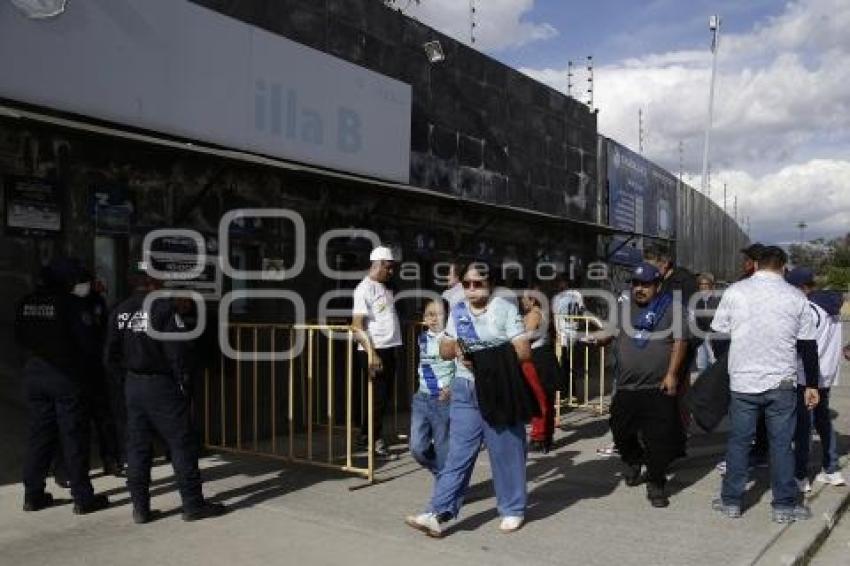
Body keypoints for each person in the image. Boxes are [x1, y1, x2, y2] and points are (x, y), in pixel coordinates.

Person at [405, 261, 532, 537]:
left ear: (490, 284)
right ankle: (438, 512)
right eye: (467, 284)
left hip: (497, 387)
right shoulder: (458, 311)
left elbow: (522, 351)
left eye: (478, 284)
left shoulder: (505, 310)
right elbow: (444, 346)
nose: (472, 290)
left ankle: (513, 508)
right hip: (465, 389)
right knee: (457, 454)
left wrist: (486, 359)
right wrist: (455, 349)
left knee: (505, 451)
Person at [104, 265, 224, 524]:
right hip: (162, 386)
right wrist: (183, 382)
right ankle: (193, 505)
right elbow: (177, 352)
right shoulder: (162, 309)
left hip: (133, 385)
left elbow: (110, 355)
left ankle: (140, 509)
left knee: (137, 448)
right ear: (154, 282)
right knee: (181, 443)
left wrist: (126, 381)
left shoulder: (120, 310)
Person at [710, 246, 820, 523]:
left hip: (743, 381)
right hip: (781, 381)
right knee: (782, 445)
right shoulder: (795, 296)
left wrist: (732, 363)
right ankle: (783, 505)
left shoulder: (735, 291)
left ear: (757, 264)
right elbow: (808, 345)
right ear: (783, 267)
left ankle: (731, 501)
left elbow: (719, 333)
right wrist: (812, 384)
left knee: (738, 442)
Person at [583, 262, 688, 508]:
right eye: (636, 284)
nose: (640, 289)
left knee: (657, 438)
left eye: (646, 284)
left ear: (658, 285)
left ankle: (656, 483)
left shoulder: (671, 309)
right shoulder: (623, 307)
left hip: (657, 386)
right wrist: (594, 340)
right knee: (620, 431)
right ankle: (633, 459)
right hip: (627, 386)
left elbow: (680, 342)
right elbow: (611, 332)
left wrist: (672, 374)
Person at [15, 258, 110, 514]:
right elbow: (89, 343)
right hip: (66, 376)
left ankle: (32, 494)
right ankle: (82, 497)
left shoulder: (27, 303)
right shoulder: (70, 304)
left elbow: (19, 338)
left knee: (39, 436)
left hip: (34, 374)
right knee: (74, 436)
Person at [786, 267, 845, 492]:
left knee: (803, 426)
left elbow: (801, 345)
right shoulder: (832, 308)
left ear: (801, 288)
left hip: (807, 376)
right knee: (823, 421)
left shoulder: (809, 309)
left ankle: (800, 475)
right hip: (827, 374)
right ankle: (831, 469)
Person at [352, 245, 403, 459]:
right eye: (389, 268)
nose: (392, 272)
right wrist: (371, 353)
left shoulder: (384, 287)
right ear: (378, 264)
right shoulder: (364, 289)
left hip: (389, 348)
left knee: (383, 397)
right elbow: (357, 326)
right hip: (375, 350)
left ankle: (366, 435)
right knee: (378, 398)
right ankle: (374, 440)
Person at [409, 299, 455, 475]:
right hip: (422, 398)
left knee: (444, 449)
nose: (433, 319)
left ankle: (448, 489)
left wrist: (451, 388)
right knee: (417, 448)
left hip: (443, 401)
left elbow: (463, 367)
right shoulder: (422, 338)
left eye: (438, 314)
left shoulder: (453, 339)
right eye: (429, 314)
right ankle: (448, 479)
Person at [522, 285, 560, 453]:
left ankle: (539, 437)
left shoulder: (534, 314)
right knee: (546, 398)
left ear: (532, 300)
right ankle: (547, 436)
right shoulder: (544, 313)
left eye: (525, 298)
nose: (522, 301)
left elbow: (526, 338)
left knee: (539, 399)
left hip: (536, 359)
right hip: (546, 357)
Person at [694, 273, 720, 374]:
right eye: (701, 285)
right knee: (701, 364)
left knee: (713, 361)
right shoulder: (696, 301)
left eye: (706, 285)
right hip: (700, 336)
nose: (703, 287)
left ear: (711, 286)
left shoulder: (717, 300)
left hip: (713, 335)